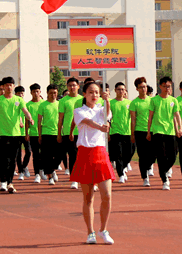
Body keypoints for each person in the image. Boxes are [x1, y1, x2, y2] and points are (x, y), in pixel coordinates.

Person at [70, 81, 115, 245]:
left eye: (97, 92)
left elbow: (107, 116)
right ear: (84, 94)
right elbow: (89, 123)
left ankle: (104, 229)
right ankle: (90, 232)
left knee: (107, 196)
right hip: (85, 154)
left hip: (100, 153)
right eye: (91, 92)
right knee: (88, 198)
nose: (94, 95)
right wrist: (101, 127)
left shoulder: (102, 109)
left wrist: (108, 100)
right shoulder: (79, 111)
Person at [0, 77, 33, 193]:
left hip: (16, 134)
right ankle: (3, 182)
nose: (8, 87)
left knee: (12, 159)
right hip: (2, 134)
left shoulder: (18, 100)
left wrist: (30, 118)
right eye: (6, 85)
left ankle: (10, 182)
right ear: (4, 87)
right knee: (3, 159)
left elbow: (25, 110)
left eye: (10, 85)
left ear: (13, 86)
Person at [147, 77, 182, 190]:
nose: (167, 88)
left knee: (172, 155)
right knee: (161, 156)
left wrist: (179, 129)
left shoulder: (173, 100)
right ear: (160, 86)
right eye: (165, 86)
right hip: (158, 131)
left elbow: (177, 116)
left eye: (169, 86)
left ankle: (165, 169)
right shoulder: (154, 100)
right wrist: (149, 132)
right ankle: (165, 180)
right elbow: (150, 117)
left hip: (170, 132)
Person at [57, 77, 83, 189]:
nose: (72, 87)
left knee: (83, 156)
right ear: (67, 87)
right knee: (73, 156)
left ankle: (85, 178)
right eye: (70, 85)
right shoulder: (63, 101)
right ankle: (75, 179)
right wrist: (59, 133)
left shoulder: (83, 99)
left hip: (82, 132)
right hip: (69, 132)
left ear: (78, 86)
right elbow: (61, 119)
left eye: (74, 85)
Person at [130, 77, 155, 186]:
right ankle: (145, 177)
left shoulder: (152, 101)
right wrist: (132, 134)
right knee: (142, 155)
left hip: (153, 130)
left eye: (144, 86)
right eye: (141, 87)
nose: (143, 89)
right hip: (140, 131)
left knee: (153, 154)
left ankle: (149, 166)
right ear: (137, 89)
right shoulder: (134, 103)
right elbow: (133, 119)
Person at [108, 82, 131, 183]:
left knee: (128, 153)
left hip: (127, 132)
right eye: (119, 89)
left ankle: (124, 166)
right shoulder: (111, 103)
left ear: (125, 91)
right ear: (115, 91)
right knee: (118, 154)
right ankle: (121, 174)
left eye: (122, 89)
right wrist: (108, 133)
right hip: (115, 132)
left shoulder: (129, 103)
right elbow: (107, 118)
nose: (121, 91)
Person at [38, 84, 60, 184]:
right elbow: (39, 121)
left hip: (57, 133)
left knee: (59, 154)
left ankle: (53, 169)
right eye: (51, 93)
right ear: (47, 93)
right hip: (46, 133)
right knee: (47, 156)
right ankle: (50, 176)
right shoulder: (42, 105)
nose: (53, 95)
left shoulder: (60, 104)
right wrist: (39, 135)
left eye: (55, 93)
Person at [25, 83, 43, 181]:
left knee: (44, 154)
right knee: (35, 154)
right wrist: (26, 133)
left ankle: (43, 170)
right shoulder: (28, 105)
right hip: (33, 133)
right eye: (34, 92)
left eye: (37, 91)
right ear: (31, 93)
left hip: (44, 132)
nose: (36, 93)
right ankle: (37, 174)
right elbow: (26, 121)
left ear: (40, 92)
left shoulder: (44, 103)